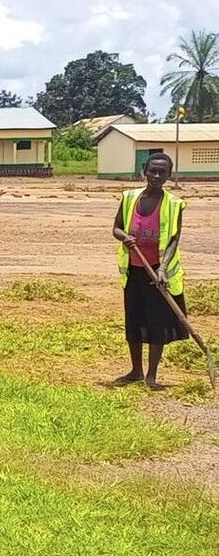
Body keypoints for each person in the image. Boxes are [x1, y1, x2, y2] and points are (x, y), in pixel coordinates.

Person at [111, 152, 188, 390]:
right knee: (134, 320)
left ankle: (151, 376)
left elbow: (174, 239)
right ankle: (136, 371)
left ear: (169, 175)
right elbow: (116, 228)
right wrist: (125, 237)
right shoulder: (129, 198)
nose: (156, 176)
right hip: (134, 270)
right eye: (152, 171)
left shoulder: (174, 204)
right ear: (145, 171)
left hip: (159, 274)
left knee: (157, 322)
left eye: (162, 172)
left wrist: (163, 268)